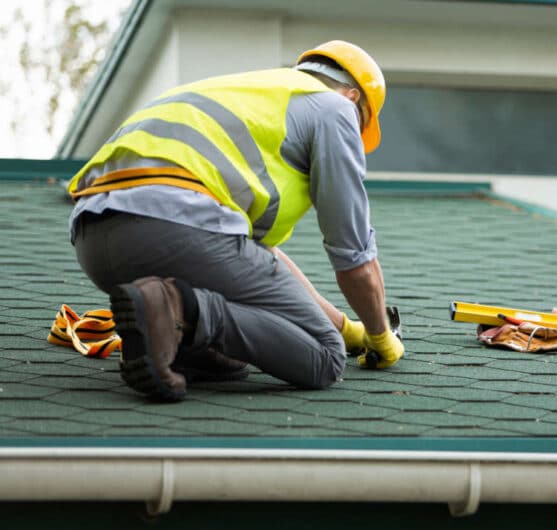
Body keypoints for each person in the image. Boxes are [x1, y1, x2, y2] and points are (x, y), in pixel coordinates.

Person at [66, 40, 404, 401]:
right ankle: (177, 308)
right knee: (324, 356)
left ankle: (171, 334)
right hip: (176, 229)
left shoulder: (253, 93)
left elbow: (258, 255)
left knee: (230, 357)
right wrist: (380, 335)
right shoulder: (335, 108)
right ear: (353, 97)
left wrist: (347, 329)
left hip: (94, 239)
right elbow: (354, 259)